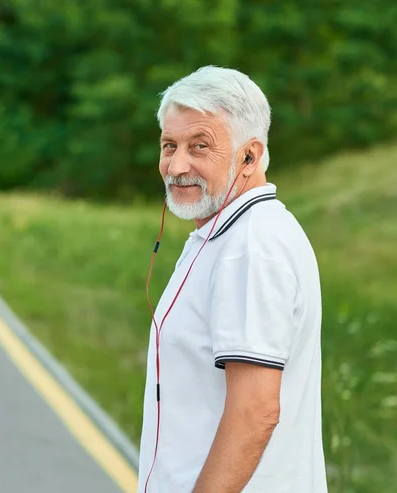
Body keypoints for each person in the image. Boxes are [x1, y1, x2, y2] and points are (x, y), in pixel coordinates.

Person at [137, 66, 328, 493]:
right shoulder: (229, 235)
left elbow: (255, 411)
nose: (176, 165)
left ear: (250, 155)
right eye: (170, 145)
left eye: (199, 146)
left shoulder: (250, 247)